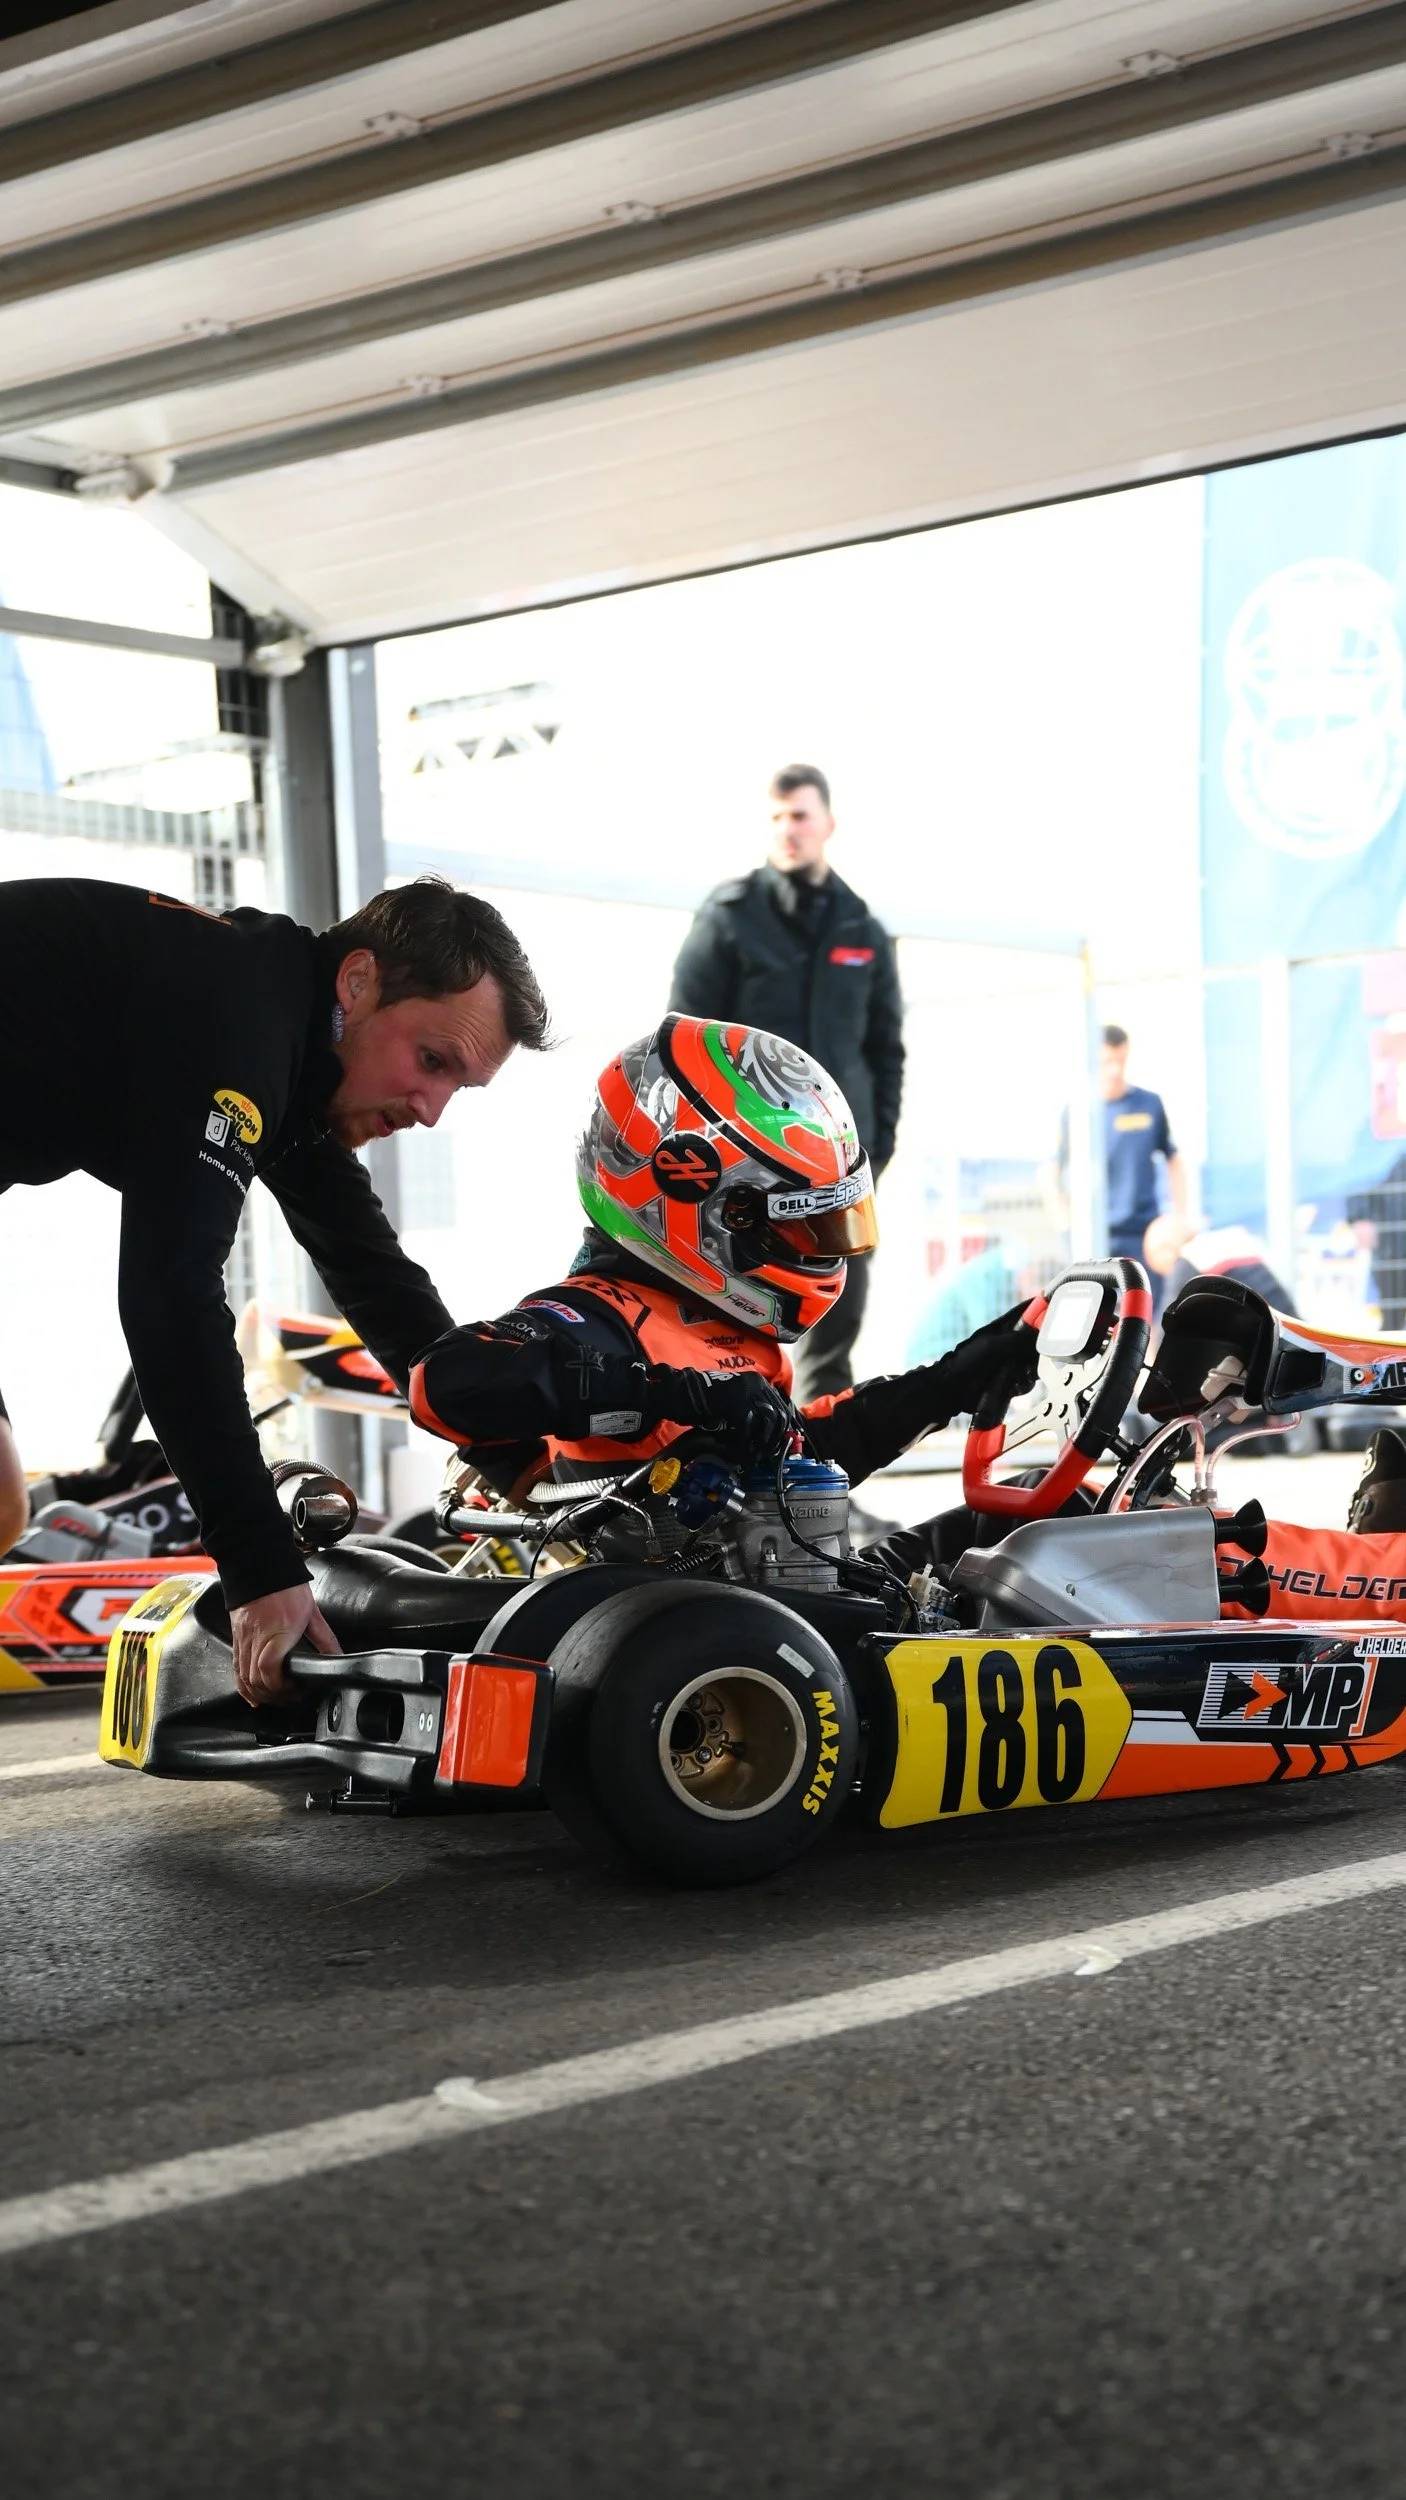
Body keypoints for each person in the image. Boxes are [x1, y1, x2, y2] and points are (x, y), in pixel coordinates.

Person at [0, 873, 548, 1704]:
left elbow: (372, 1273)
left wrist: (521, 1461)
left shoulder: (284, 1034)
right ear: (357, 981)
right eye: (431, 1062)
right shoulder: (239, 1021)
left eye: (456, 1087)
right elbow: (171, 1298)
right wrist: (260, 1568)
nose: (431, 1110)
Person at [408, 1016, 1035, 1549]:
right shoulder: (594, 1316)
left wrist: (952, 1380)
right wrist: (678, 1393)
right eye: (802, 1226)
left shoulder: (728, 1333)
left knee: (1045, 1515)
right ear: (701, 1207)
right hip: (684, 1635)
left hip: (781, 1602)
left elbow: (802, 1461)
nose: (820, 1251)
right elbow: (443, 1384)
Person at [667, 764, 903, 1400]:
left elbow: (886, 1052)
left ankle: (824, 1482)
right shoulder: (729, 918)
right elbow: (681, 1040)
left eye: (799, 815)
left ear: (828, 822)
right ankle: (738, 1478)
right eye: (776, 817)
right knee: (736, 1309)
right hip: (744, 1164)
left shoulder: (862, 930)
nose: (788, 829)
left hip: (838, 1164)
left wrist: (874, 1149)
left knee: (838, 1312)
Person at [1099, 1025, 1186, 1308]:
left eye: (1120, 1061)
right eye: (1106, 1061)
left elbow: (1174, 1159)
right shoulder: (1079, 1113)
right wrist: (1065, 1222)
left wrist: (1179, 1218)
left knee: (1147, 1313)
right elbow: (1052, 1172)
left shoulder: (1148, 1104)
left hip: (1144, 1233)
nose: (1114, 1070)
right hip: (1099, 1235)